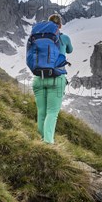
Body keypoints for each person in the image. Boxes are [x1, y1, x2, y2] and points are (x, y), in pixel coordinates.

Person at [32, 14, 72, 144]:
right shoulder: (64, 38)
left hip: (38, 78)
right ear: (60, 25)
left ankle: (40, 141)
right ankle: (48, 144)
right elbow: (70, 50)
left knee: (41, 111)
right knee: (52, 113)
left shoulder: (38, 37)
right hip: (56, 78)